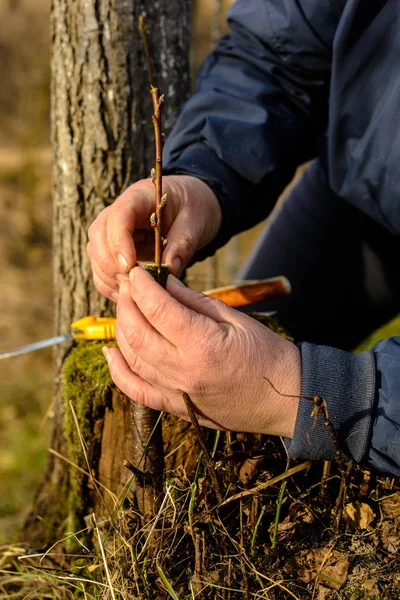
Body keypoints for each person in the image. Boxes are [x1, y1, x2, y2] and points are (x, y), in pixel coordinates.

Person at [87, 0, 400, 477]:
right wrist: (204, 178)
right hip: (362, 187)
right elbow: (276, 51)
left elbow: (301, 389)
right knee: (224, 370)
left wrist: (309, 388)